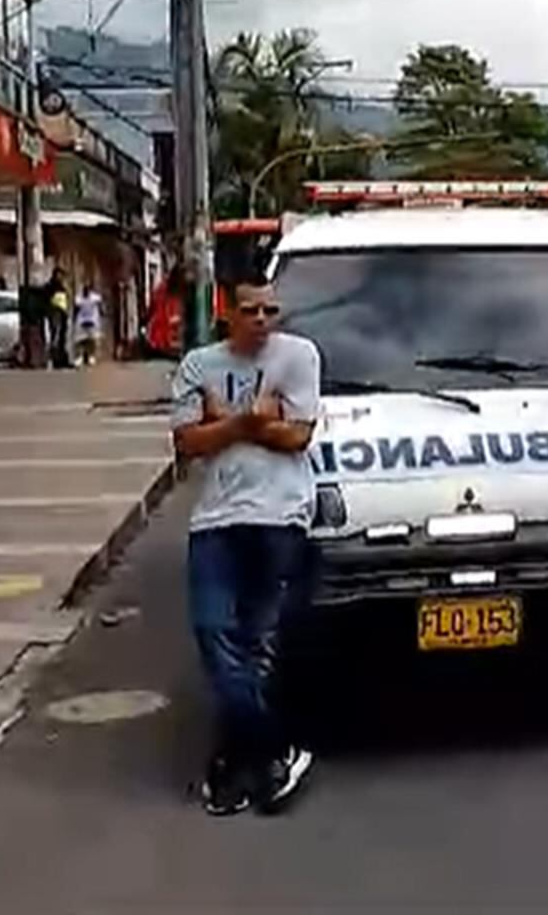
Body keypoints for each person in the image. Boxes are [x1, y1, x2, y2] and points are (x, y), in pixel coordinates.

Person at [170, 275, 321, 816]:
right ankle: (275, 746)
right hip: (215, 517)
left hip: (280, 513)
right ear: (226, 313)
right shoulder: (198, 364)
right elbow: (187, 443)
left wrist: (225, 423)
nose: (261, 319)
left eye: (270, 310)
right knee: (213, 632)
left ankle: (234, 760)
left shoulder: (298, 356)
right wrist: (254, 420)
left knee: (258, 645)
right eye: (250, 310)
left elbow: (299, 436)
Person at [73, 283, 105, 367]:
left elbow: (100, 306)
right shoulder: (78, 299)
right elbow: (75, 310)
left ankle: (91, 356)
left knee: (92, 340)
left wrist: (102, 313)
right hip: (82, 321)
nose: (86, 292)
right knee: (80, 340)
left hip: (92, 320)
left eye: (87, 290)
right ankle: (79, 357)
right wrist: (74, 319)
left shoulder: (95, 298)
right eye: (84, 290)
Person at [47, 270, 71, 369]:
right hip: (55, 313)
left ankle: (62, 359)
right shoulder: (51, 287)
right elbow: (49, 300)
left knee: (62, 337)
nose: (61, 278)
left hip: (62, 313)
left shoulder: (62, 287)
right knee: (55, 337)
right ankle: (55, 360)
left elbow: (65, 299)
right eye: (59, 275)